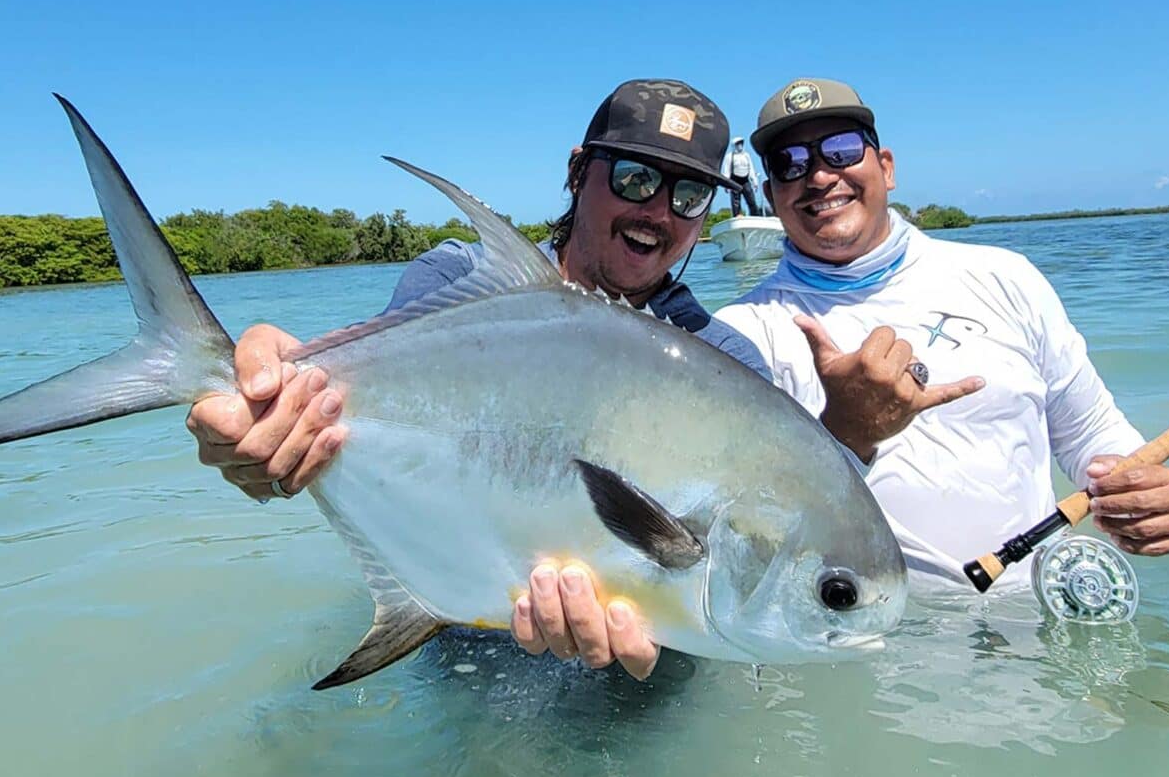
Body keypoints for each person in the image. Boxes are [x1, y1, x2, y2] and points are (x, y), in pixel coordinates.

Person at [187, 79, 776, 680]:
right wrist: (269, 441)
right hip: (457, 655)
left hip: (640, 689)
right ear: (579, 171)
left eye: (691, 194)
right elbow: (351, 422)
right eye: (635, 177)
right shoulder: (454, 282)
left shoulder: (724, 361)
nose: (656, 211)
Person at [714, 77, 1169, 582]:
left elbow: (1091, 435)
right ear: (771, 194)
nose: (818, 176)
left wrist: (1152, 497)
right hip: (866, 639)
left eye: (840, 150)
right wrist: (846, 436)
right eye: (790, 163)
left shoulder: (1007, 277)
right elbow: (746, 523)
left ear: (886, 167)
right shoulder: (743, 332)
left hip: (1039, 623)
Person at [719, 137, 763, 216]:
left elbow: (751, 169)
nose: (740, 145)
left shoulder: (746, 155)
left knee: (751, 199)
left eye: (741, 143)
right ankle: (737, 216)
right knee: (736, 201)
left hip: (745, 181)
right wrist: (726, 185)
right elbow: (726, 170)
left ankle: (755, 215)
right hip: (734, 181)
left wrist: (755, 182)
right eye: (737, 144)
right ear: (734, 145)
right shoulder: (729, 156)